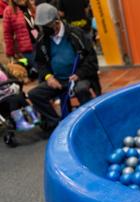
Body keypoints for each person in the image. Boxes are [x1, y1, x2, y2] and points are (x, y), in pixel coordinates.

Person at [28, 3, 100, 131]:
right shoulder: (42, 39)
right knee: (34, 94)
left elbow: (91, 59)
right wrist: (49, 77)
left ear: (56, 21)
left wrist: (79, 74)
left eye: (46, 26)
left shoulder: (76, 34)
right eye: (41, 27)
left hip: (78, 77)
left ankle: (88, 122)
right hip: (58, 80)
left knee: (81, 89)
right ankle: (57, 124)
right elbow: (41, 63)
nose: (43, 29)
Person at [0, 64, 39, 131]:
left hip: (9, 92)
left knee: (20, 96)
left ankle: (33, 116)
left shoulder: (3, 69)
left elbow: (11, 80)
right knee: (13, 99)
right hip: (2, 99)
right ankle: (20, 123)